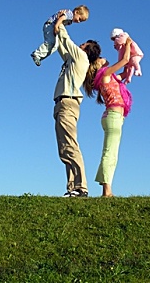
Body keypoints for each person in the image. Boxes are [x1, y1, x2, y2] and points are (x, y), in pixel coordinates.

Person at [53, 22, 101, 197]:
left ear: (86, 50)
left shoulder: (81, 57)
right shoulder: (72, 60)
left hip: (68, 103)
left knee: (71, 145)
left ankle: (81, 187)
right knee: (64, 148)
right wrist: (56, 32)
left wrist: (61, 22)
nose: (80, 46)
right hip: (61, 103)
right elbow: (62, 46)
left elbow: (66, 40)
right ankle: (72, 188)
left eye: (83, 45)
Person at [83, 36, 133, 197]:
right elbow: (125, 60)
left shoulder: (109, 76)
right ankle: (107, 191)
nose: (104, 60)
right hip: (113, 117)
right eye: (100, 60)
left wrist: (132, 65)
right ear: (97, 66)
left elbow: (124, 72)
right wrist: (128, 43)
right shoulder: (104, 75)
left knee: (111, 152)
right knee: (110, 153)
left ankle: (106, 188)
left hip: (113, 117)